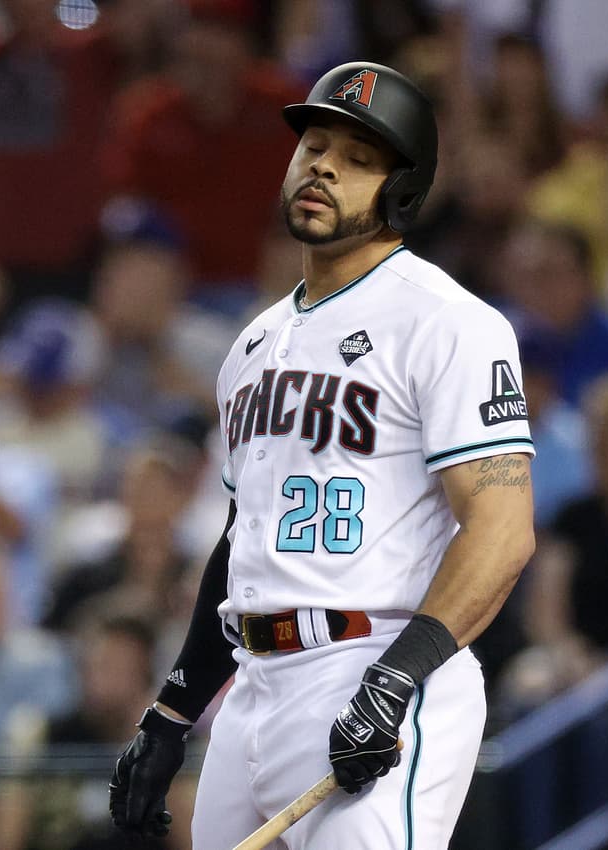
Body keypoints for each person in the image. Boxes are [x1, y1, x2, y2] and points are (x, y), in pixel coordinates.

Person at [108, 61, 537, 850]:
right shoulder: (253, 342)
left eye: (360, 157)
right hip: (253, 688)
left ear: (403, 188)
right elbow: (241, 543)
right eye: (314, 142)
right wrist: (171, 712)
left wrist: (398, 678)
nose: (324, 165)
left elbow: (503, 532)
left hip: (378, 659)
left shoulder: (450, 322)